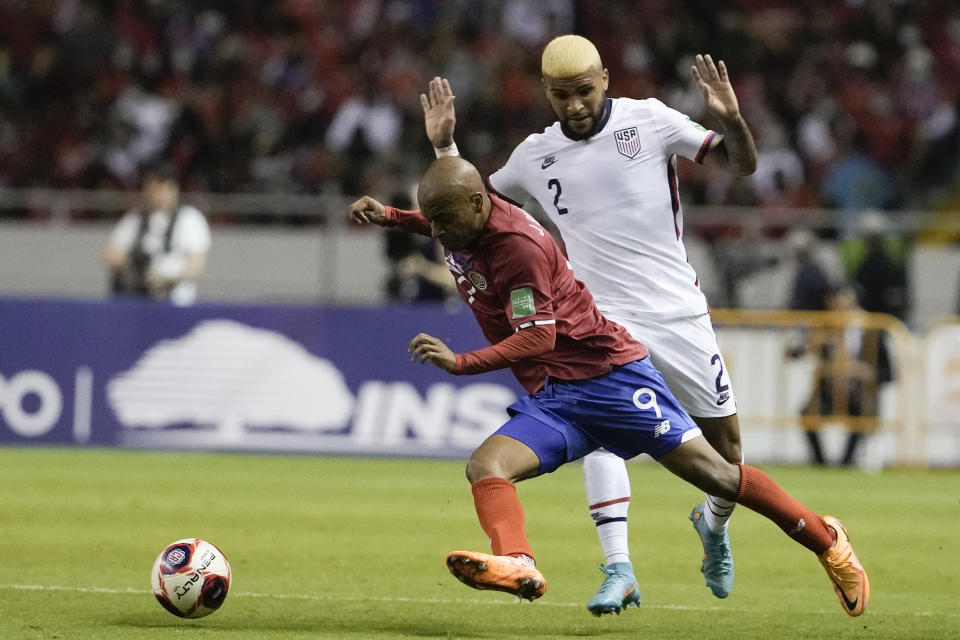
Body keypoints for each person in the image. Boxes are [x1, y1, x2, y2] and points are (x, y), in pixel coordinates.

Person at [349, 156, 869, 617]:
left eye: (444, 220)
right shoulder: (471, 222)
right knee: (487, 465)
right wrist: (393, 218)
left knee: (719, 476)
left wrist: (462, 363)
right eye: (431, 220)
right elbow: (447, 220)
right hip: (564, 394)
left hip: (614, 379)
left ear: (479, 203)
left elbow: (536, 338)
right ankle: (517, 560)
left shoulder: (517, 248)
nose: (437, 232)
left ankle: (829, 542)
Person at [418, 35, 758, 612]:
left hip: (677, 311)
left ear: (604, 78)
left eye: (582, 92)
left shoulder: (649, 121)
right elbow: (469, 207)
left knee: (727, 455)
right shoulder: (534, 154)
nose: (573, 106)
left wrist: (734, 122)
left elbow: (741, 164)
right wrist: (445, 144)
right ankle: (618, 567)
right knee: (602, 435)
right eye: (560, 96)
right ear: (545, 93)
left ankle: (714, 525)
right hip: (594, 318)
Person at [797, 283, 893, 466]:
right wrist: (812, 344)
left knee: (862, 411)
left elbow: (888, 373)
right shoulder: (825, 327)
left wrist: (864, 372)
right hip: (829, 392)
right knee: (807, 413)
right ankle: (820, 463)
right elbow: (795, 352)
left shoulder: (874, 329)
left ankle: (846, 462)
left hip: (860, 394)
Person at [103, 162, 211, 306]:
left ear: (173, 190)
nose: (156, 196)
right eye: (151, 190)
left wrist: (167, 277)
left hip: (175, 298)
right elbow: (111, 255)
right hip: (138, 295)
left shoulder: (190, 219)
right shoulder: (135, 219)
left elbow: (196, 264)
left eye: (161, 190)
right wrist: (139, 267)